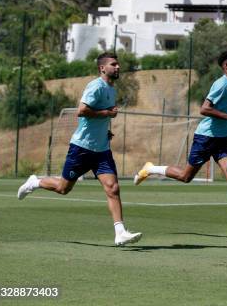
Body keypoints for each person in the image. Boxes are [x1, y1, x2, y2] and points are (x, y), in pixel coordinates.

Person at [133, 51, 227, 237]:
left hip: (222, 141)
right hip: (206, 138)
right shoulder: (221, 84)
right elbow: (204, 108)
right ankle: (151, 169)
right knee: (186, 177)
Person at [17, 52, 142, 246]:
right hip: (82, 148)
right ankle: (35, 182)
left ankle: (120, 232)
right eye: (113, 64)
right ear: (102, 68)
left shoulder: (112, 89)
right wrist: (107, 113)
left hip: (102, 150)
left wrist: (106, 131)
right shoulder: (95, 86)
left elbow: (103, 117)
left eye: (118, 64)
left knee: (113, 188)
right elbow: (82, 110)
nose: (118, 67)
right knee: (63, 188)